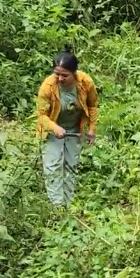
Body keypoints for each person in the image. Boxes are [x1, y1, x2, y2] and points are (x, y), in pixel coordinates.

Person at [35, 46, 99, 208]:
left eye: (65, 75)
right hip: (52, 130)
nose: (60, 78)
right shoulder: (47, 87)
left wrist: (91, 129)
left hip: (74, 129)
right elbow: (41, 115)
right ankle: (56, 205)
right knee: (53, 165)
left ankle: (68, 203)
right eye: (57, 74)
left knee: (71, 164)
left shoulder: (86, 82)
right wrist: (54, 127)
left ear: (74, 73)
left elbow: (92, 106)